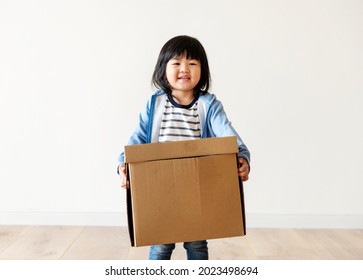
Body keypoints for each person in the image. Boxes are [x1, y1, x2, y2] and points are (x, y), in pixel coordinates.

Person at [117, 35, 250, 260]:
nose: (184, 69)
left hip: (197, 187)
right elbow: (137, 139)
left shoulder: (209, 105)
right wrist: (123, 163)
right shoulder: (154, 104)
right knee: (160, 246)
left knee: (197, 244)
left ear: (202, 71)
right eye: (176, 63)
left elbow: (228, 134)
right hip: (159, 187)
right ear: (163, 69)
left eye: (192, 63)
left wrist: (242, 156)